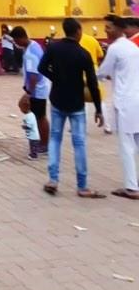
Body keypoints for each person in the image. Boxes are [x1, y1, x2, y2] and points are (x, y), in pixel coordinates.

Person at [39, 17, 104, 198]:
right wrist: (98, 108)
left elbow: (42, 67)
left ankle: (53, 179)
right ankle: (82, 186)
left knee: (55, 139)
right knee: (79, 143)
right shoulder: (83, 54)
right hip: (76, 102)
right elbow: (92, 83)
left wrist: (56, 79)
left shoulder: (53, 48)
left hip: (57, 99)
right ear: (77, 31)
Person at [97, 15, 139, 198]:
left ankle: (131, 187)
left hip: (124, 102)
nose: (106, 30)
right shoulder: (133, 47)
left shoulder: (115, 48)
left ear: (119, 29)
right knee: (136, 141)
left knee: (126, 145)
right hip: (136, 97)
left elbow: (103, 72)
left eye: (109, 27)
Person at [12, 26, 49, 152]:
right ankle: (41, 140)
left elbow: (33, 76)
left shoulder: (29, 54)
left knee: (40, 117)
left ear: (20, 38)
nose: (15, 44)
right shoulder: (34, 44)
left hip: (37, 90)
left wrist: (28, 93)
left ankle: (44, 144)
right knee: (37, 115)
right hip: (39, 87)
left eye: (15, 41)